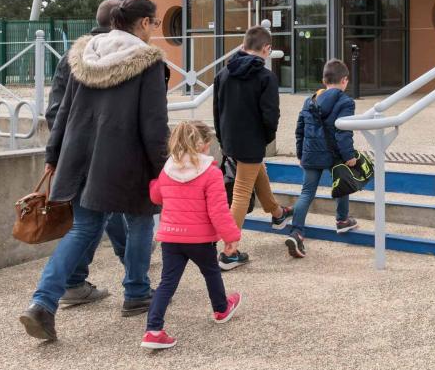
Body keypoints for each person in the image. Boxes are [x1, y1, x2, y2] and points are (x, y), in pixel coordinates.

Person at [19, 0, 169, 342]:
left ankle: (42, 302)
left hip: (78, 157)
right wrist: (163, 167)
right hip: (126, 160)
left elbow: (65, 111)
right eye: (155, 23)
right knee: (141, 220)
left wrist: (54, 154)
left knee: (82, 229)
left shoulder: (83, 55)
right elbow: (153, 125)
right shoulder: (147, 62)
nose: (155, 30)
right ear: (144, 23)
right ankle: (136, 293)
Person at [44, 0, 128, 309]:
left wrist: (60, 151)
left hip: (74, 154)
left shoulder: (72, 57)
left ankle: (74, 283)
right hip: (108, 155)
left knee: (91, 220)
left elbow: (54, 111)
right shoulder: (124, 55)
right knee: (103, 218)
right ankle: (135, 280)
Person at [142, 122, 242, 350]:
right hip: (200, 239)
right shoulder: (211, 172)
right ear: (206, 145)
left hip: (171, 237)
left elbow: (157, 197)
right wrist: (231, 237)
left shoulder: (168, 168)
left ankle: (153, 330)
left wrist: (155, 184)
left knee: (167, 283)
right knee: (211, 272)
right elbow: (218, 211)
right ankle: (221, 308)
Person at [212, 25, 293, 270]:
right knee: (241, 192)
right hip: (252, 139)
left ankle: (277, 213)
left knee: (258, 173)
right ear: (267, 49)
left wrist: (222, 139)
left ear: (244, 46)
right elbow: (271, 114)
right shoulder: (265, 77)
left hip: (229, 139)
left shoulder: (223, 73)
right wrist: (266, 138)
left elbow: (217, 110)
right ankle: (229, 250)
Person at [286, 59, 359, 258]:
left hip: (310, 153)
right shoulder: (346, 102)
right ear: (344, 80)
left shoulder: (309, 100)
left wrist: (301, 153)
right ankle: (342, 221)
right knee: (343, 184)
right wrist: (349, 156)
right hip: (334, 155)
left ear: (323, 80)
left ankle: (297, 232)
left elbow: (299, 130)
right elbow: (344, 133)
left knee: (306, 193)